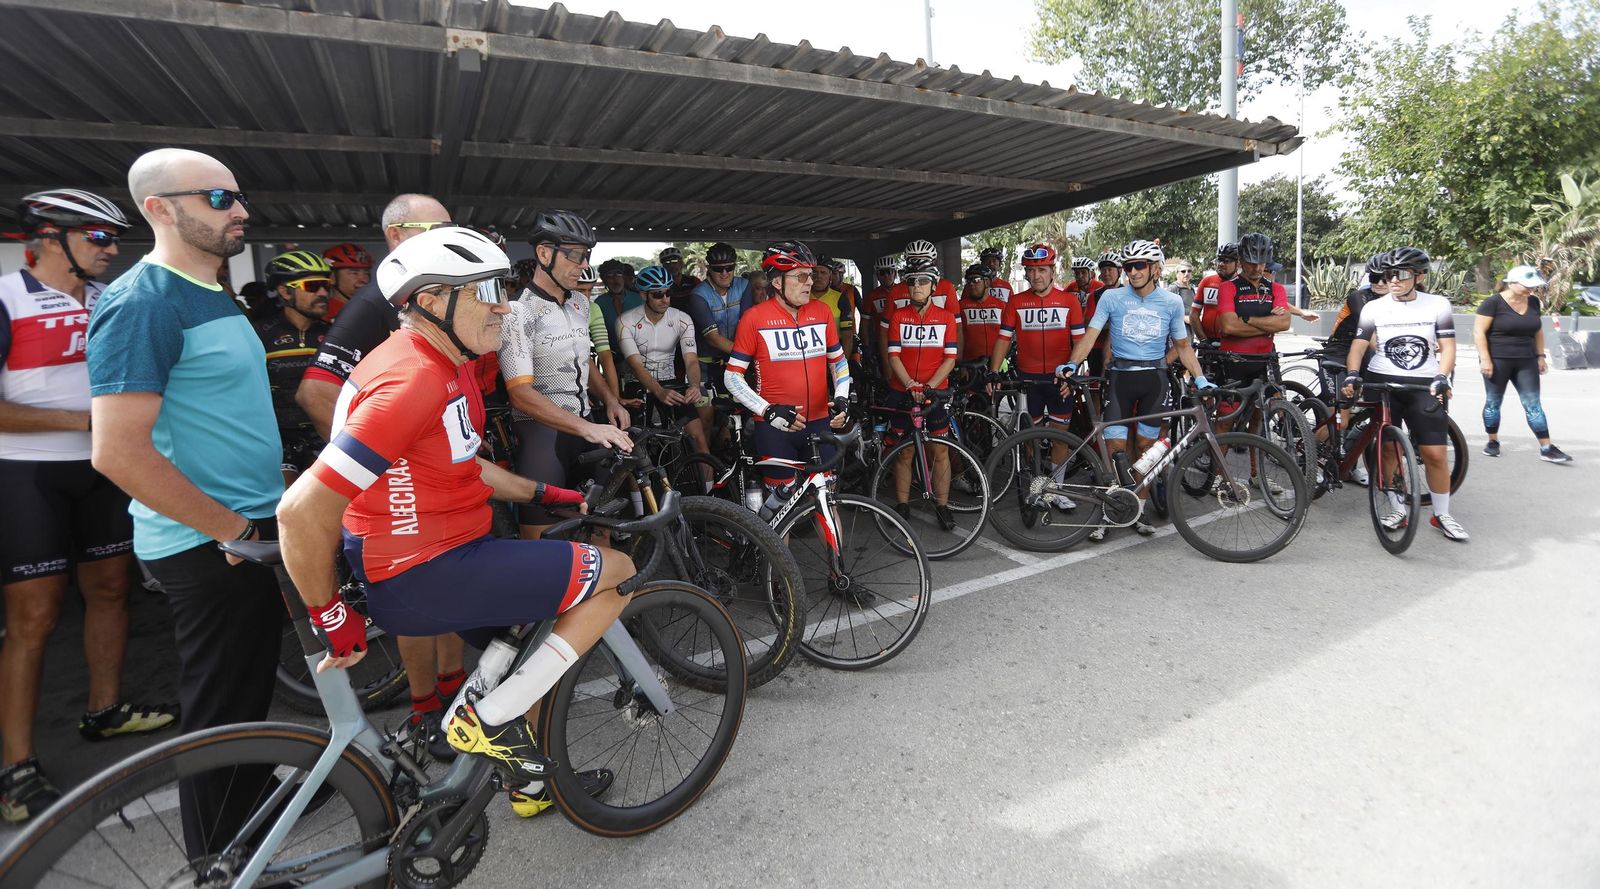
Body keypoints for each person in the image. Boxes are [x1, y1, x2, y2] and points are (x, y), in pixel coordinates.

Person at [276, 225, 630, 817]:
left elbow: (469, 466)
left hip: (444, 557)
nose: (502, 303)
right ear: (433, 301)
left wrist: (551, 492)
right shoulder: (411, 379)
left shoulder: (442, 364)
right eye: (485, 289)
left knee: (527, 654)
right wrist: (329, 617)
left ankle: (530, 782)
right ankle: (484, 719)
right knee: (617, 570)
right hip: (429, 569)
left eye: (502, 285)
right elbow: (301, 511)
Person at [86, 149, 282, 856]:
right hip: (211, 542)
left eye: (236, 196)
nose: (240, 210)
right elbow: (116, 451)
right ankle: (221, 861)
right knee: (222, 712)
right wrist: (234, 529)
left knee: (248, 691)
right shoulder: (144, 301)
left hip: (243, 528)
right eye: (218, 198)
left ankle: (252, 804)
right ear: (160, 209)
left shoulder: (209, 288)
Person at [0, 189, 176, 823]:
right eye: (97, 238)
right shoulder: (7, 297)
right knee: (36, 619)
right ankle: (16, 766)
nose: (110, 249)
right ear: (49, 238)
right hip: (28, 475)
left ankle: (105, 712)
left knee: (110, 591)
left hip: (103, 468)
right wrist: (89, 420)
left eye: (111, 239)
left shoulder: (108, 301)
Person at [294, 195, 482, 756]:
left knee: (448, 605)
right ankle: (427, 712)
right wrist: (384, 460)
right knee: (422, 604)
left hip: (447, 471)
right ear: (399, 237)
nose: (454, 236)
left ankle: (450, 701)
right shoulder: (380, 300)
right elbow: (316, 390)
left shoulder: (438, 297)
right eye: (441, 228)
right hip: (402, 495)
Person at [1060, 240, 1212, 537]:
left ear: (1155, 268)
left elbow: (1182, 345)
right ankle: (1108, 512)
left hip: (1154, 381)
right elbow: (1090, 336)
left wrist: (1201, 377)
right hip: (1120, 379)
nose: (1133, 271)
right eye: (1128, 266)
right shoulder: (1112, 298)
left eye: (1139, 265)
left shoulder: (1170, 302)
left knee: (1146, 449)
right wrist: (1071, 364)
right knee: (1114, 448)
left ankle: (1137, 512)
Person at [500, 210, 631, 541]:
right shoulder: (518, 313)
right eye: (575, 256)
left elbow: (584, 361)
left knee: (602, 528)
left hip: (585, 425)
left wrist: (610, 401)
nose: (584, 265)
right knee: (543, 544)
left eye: (586, 256)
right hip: (542, 436)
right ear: (544, 254)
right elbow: (520, 394)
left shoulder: (580, 304)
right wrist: (587, 427)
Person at [1341, 247, 1467, 542]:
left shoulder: (1437, 304)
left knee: (1434, 453)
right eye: (1387, 275)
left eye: (1400, 274)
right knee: (1387, 449)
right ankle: (1397, 508)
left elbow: (1448, 347)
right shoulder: (1374, 307)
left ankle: (1442, 514)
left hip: (1424, 383)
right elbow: (1358, 346)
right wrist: (1353, 373)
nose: (1392, 280)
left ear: (1419, 276)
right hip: (1383, 381)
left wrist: (1441, 376)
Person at [723, 241, 851, 499]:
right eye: (801, 276)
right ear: (778, 282)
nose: (810, 282)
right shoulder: (754, 318)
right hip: (775, 427)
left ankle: (834, 543)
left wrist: (842, 398)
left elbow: (838, 362)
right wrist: (766, 410)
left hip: (819, 422)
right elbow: (732, 377)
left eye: (811, 275)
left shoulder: (822, 311)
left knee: (828, 500)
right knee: (780, 508)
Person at [989, 243, 1084, 512]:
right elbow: (1003, 339)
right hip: (1028, 380)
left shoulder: (1069, 301)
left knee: (1060, 437)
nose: (1036, 276)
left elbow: (1080, 342)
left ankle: (1056, 489)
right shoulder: (1016, 302)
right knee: (1030, 438)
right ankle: (1036, 486)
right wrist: (994, 371)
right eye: (1031, 271)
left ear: (1052, 271)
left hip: (1059, 379)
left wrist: (1072, 372)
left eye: (1042, 269)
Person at [883, 258, 960, 529]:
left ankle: (943, 506)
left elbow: (950, 359)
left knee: (939, 451)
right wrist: (910, 384)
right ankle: (902, 505)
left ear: (934, 287)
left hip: (934, 393)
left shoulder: (946, 318)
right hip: (902, 390)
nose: (916, 286)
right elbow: (893, 356)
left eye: (923, 281)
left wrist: (927, 387)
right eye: (912, 282)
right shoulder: (898, 317)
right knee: (904, 452)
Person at [1476, 265, 1570, 463]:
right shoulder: (1492, 303)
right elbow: (1479, 333)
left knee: (1533, 404)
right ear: (1511, 283)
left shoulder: (1534, 302)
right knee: (1493, 402)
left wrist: (1540, 356)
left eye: (1534, 286)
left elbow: (1538, 331)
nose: (1531, 290)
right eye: (1527, 286)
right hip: (1497, 360)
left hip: (1526, 360)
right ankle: (1492, 441)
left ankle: (1546, 447)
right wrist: (1485, 359)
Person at [256, 250, 333, 483]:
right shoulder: (258, 333)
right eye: (313, 286)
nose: (323, 293)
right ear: (284, 291)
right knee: (285, 499)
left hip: (322, 436)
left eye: (326, 286)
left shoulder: (335, 334)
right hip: (276, 437)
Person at [618, 265, 710, 459]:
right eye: (658, 294)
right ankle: (637, 491)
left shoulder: (682, 319)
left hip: (670, 381)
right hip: (638, 383)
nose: (665, 299)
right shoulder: (625, 321)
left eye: (668, 292)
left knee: (698, 437)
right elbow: (635, 365)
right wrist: (658, 391)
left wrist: (693, 385)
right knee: (632, 448)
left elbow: (691, 359)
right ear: (643, 295)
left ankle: (708, 490)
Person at [1212, 232, 1290, 419]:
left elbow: (1284, 322)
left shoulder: (1276, 289)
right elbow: (1229, 327)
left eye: (1262, 263)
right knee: (1225, 421)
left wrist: (1247, 319)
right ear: (1241, 260)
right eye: (1251, 262)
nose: (1257, 268)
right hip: (1234, 363)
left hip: (1265, 361)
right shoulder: (1228, 287)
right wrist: (1269, 323)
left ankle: (1258, 448)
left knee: (1259, 419)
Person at [686, 242, 750, 432]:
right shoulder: (698, 294)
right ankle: (705, 461)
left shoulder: (744, 285)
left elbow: (745, 325)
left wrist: (739, 357)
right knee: (706, 419)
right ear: (709, 269)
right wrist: (745, 354)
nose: (724, 273)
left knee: (732, 417)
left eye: (729, 268)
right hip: (705, 364)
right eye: (718, 269)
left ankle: (726, 458)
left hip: (733, 361)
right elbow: (713, 338)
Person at [574, 264, 624, 404]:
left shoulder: (594, 308)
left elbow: (605, 354)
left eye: (590, 290)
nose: (586, 296)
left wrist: (615, 398)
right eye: (580, 290)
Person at [1191, 242, 1240, 343]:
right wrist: (1203, 340)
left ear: (1238, 263)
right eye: (1219, 260)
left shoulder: (1242, 286)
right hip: (1207, 342)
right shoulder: (1207, 281)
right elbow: (1194, 315)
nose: (1221, 264)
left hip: (1232, 343)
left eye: (1226, 261)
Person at [809, 256, 856, 359]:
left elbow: (847, 336)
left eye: (823, 272)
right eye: (815, 272)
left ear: (830, 276)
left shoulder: (840, 298)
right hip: (809, 353)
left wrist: (842, 364)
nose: (818, 276)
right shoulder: (801, 297)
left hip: (834, 352)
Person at [320, 242, 372, 321]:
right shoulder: (321, 315)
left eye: (366, 273)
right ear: (332, 278)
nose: (364, 280)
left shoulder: (374, 310)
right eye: (354, 273)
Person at [659, 245, 700, 314]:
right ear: (663, 266)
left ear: (681, 263)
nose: (671, 265)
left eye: (674, 261)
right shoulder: (660, 285)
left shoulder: (694, 281)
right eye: (667, 262)